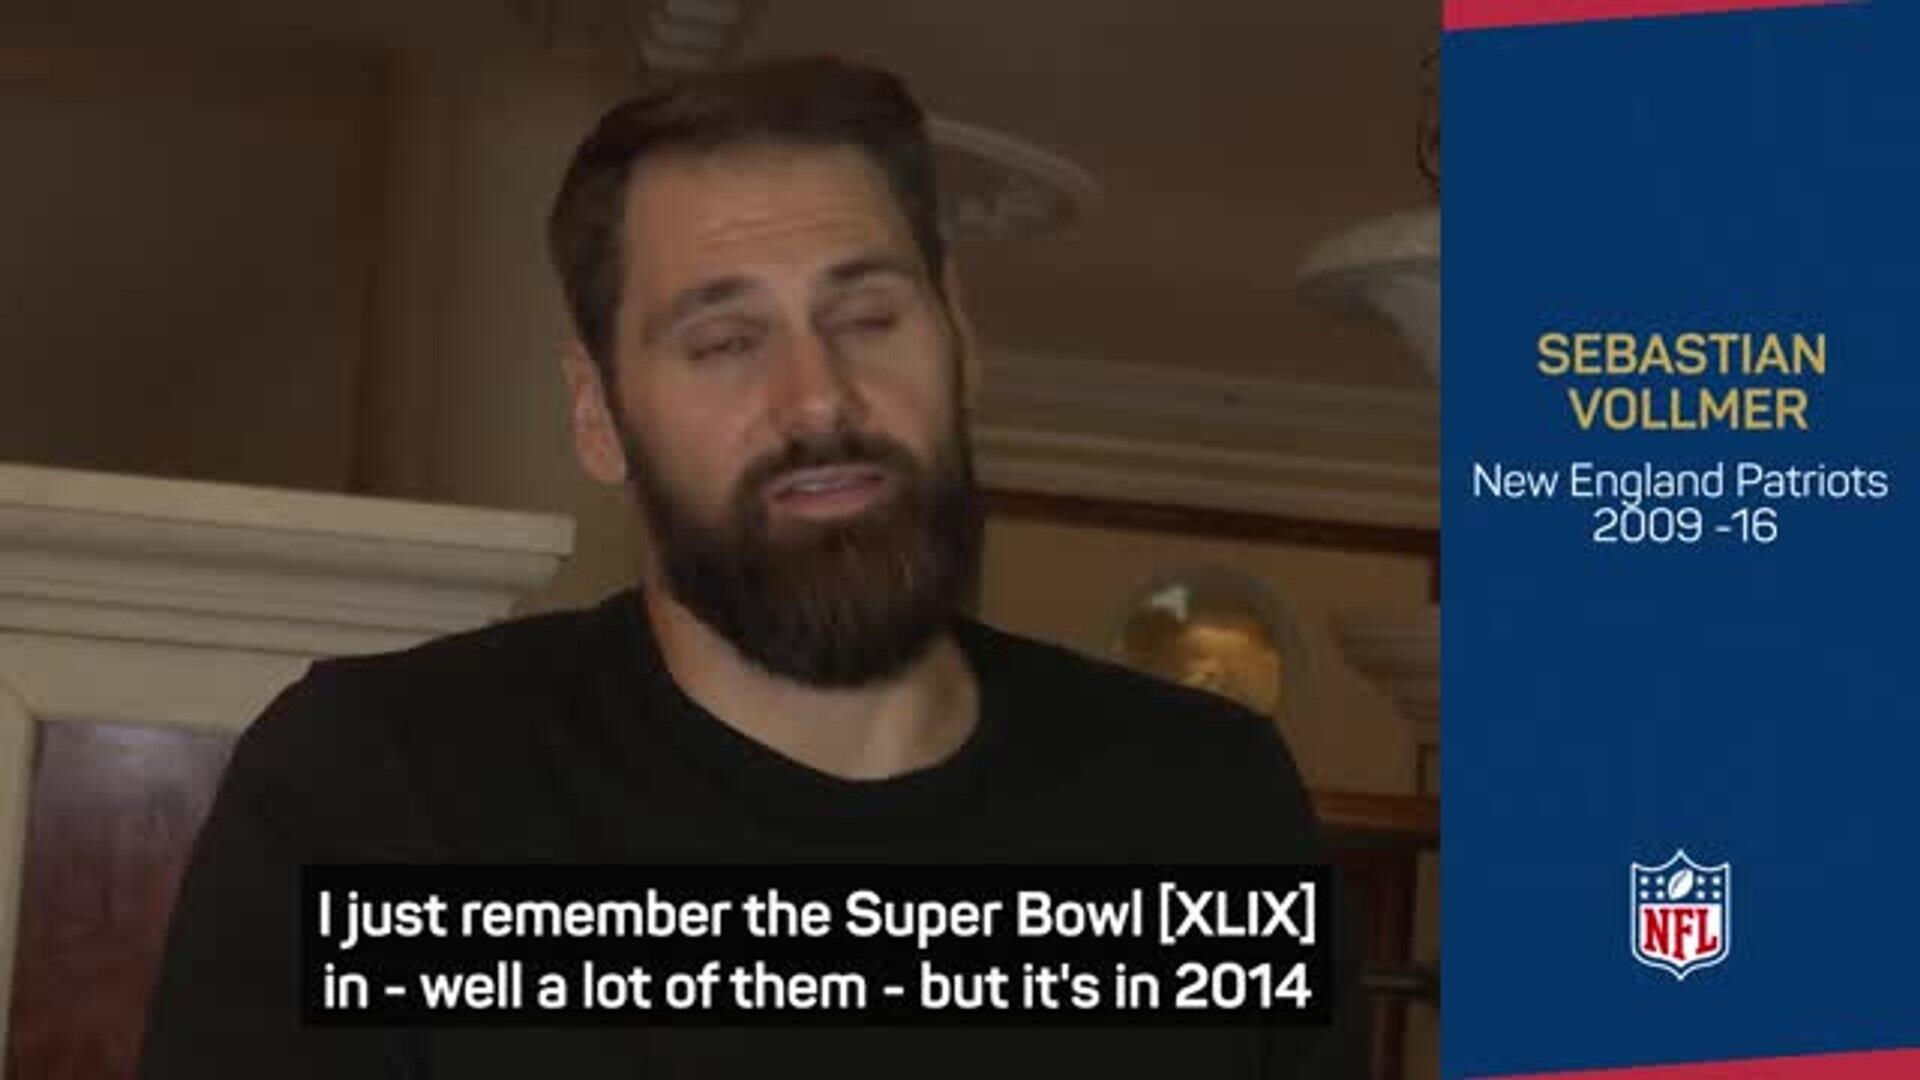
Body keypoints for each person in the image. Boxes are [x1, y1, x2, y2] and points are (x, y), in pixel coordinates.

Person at [139, 55, 1364, 1078]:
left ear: (960, 337)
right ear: (599, 413)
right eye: (724, 340)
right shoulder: (379, 797)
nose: (817, 397)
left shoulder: (1210, 812)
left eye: (869, 316)